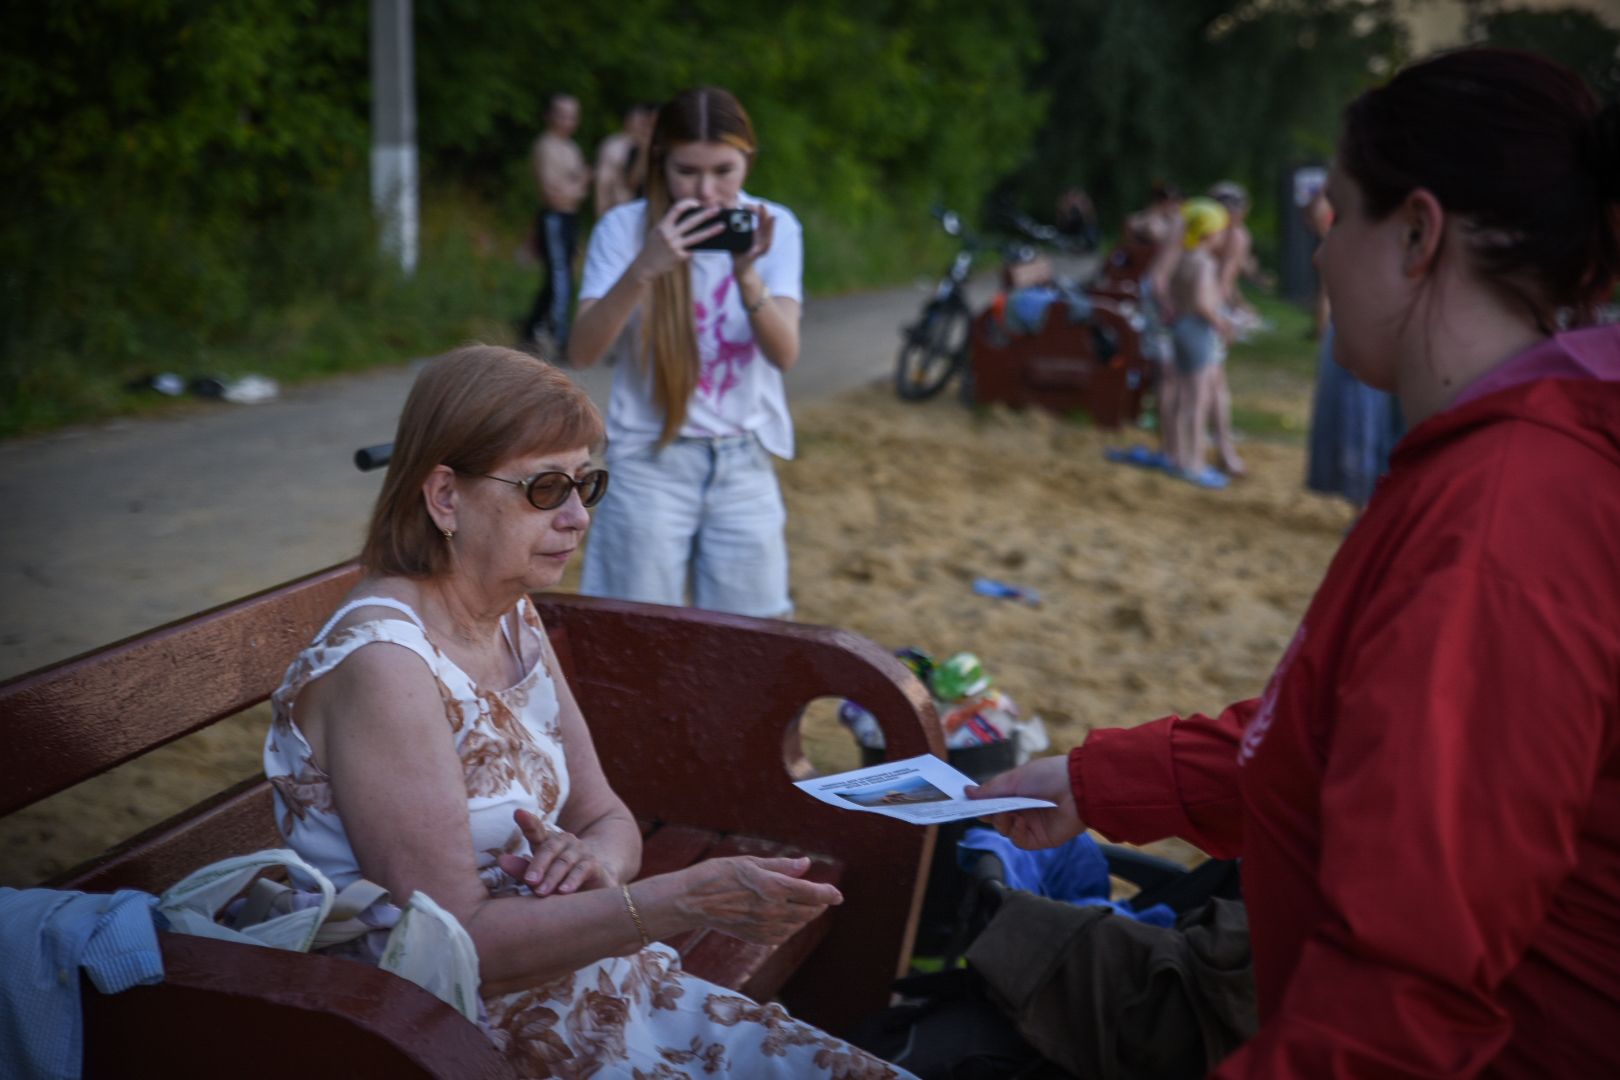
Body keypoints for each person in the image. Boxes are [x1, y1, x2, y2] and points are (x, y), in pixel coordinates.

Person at [970, 47, 1620, 1075]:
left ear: (1415, 233)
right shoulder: (1508, 464)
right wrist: (1098, 781)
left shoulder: (1504, 519)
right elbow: (1355, 746)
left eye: (1335, 217)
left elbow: (1401, 1001)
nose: (1317, 257)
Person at [263, 345, 911, 1079]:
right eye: (545, 488)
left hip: (585, 987)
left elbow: (607, 815)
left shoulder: (511, 615)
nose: (577, 517)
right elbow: (454, 946)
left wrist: (592, 859)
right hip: (448, 1036)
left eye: (586, 483)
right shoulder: (384, 664)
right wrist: (686, 898)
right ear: (445, 496)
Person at [568, 86, 803, 618]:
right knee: (637, 637)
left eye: (724, 170)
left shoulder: (774, 228)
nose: (706, 190)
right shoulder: (624, 229)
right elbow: (582, 350)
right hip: (650, 459)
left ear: (748, 159)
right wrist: (645, 269)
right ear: (660, 162)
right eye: (687, 171)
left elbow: (784, 354)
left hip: (743, 460)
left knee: (754, 640)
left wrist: (746, 275)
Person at [1165, 196, 1234, 488]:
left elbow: (1173, 292)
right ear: (1209, 233)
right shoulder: (1204, 263)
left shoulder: (1182, 258)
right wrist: (1222, 324)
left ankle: (1180, 457)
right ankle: (1194, 463)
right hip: (1197, 329)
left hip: (1180, 327)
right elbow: (1202, 303)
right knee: (1198, 400)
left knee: (1183, 396)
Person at [521, 93, 590, 358]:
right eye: (561, 114)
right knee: (559, 277)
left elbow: (574, 192)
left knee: (562, 278)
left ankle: (531, 332)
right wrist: (579, 183)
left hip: (569, 218)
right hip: (554, 217)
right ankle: (560, 338)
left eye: (572, 115)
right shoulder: (546, 146)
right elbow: (554, 193)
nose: (567, 121)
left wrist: (574, 187)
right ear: (549, 116)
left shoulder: (571, 148)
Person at [595, 101, 657, 215]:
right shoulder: (614, 145)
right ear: (628, 120)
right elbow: (603, 182)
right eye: (640, 121)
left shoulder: (644, 146)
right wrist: (601, 208)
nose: (641, 126)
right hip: (617, 204)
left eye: (644, 122)